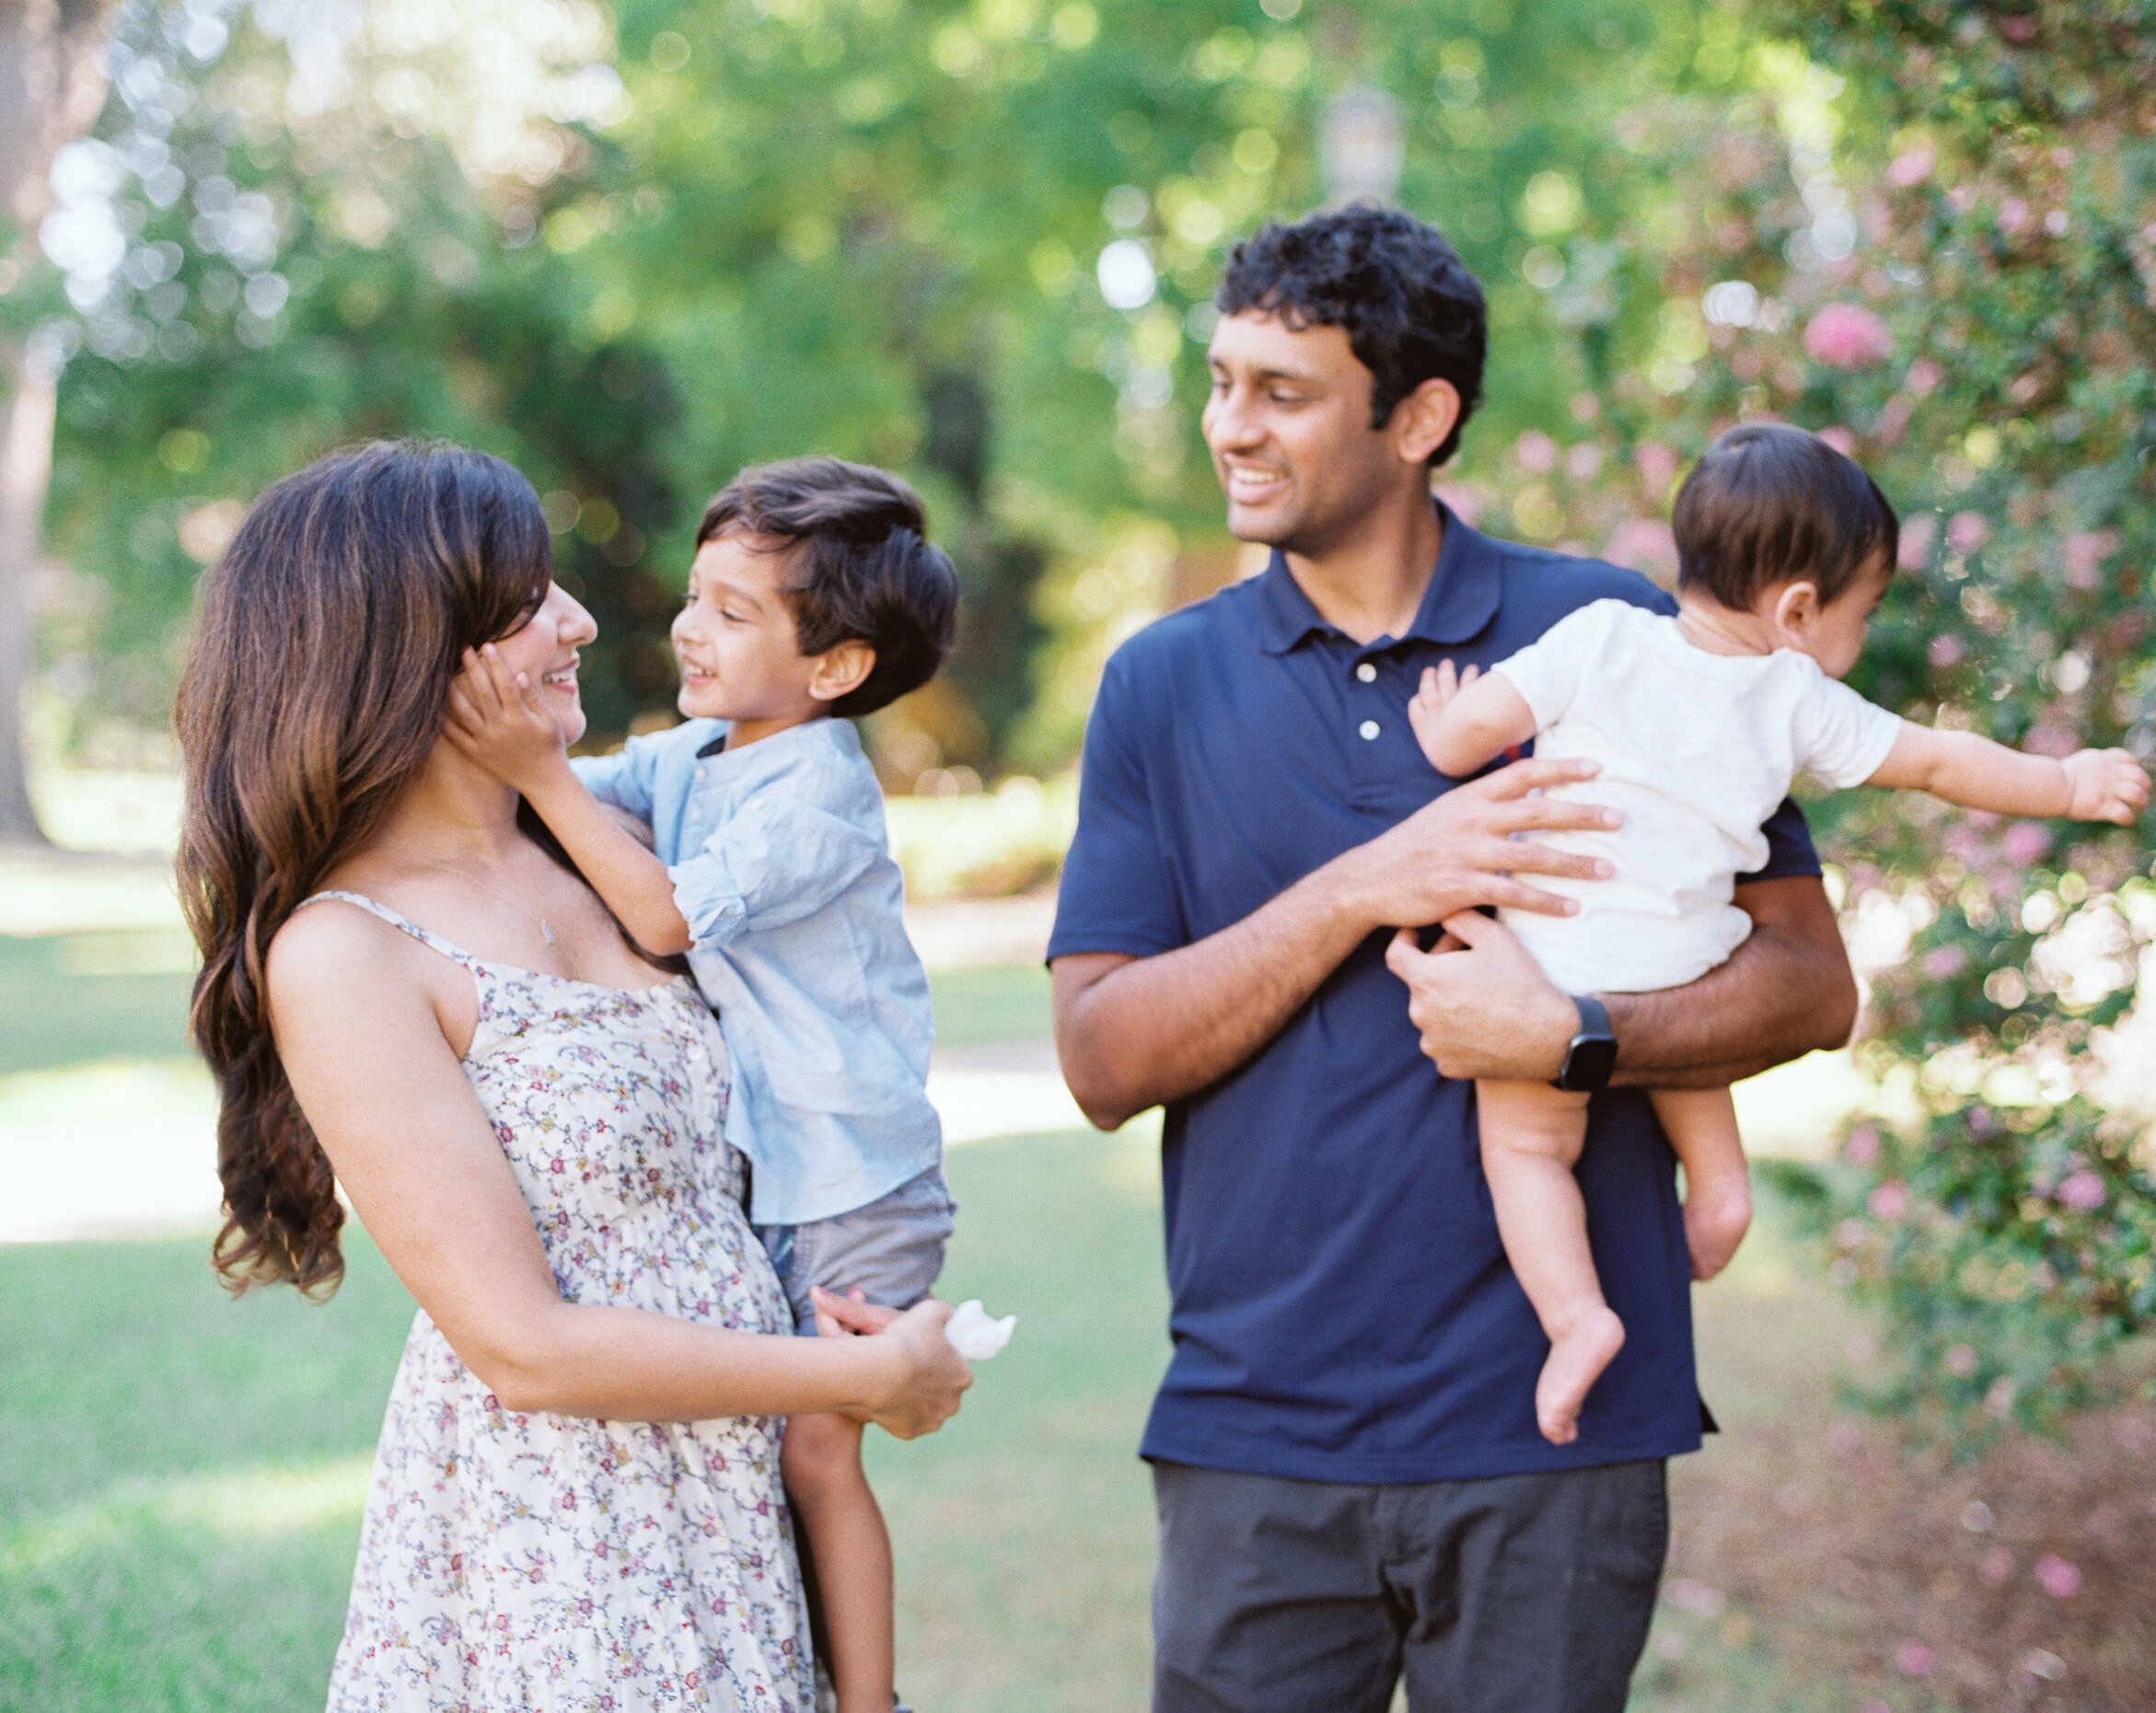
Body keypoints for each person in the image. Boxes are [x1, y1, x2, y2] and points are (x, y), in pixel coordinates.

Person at [1049, 204, 1859, 1713]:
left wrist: (1576, 1040)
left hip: (1551, 1444)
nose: (1230, 427)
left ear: (1419, 417)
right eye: (1221, 381)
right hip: (1253, 1446)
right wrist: (1361, 887)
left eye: (1280, 392)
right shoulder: (1159, 683)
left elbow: (1812, 983)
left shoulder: (1619, 632)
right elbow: (1100, 1060)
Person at [175, 441, 969, 1712]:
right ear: (416, 645)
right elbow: (524, 1348)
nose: (586, 618)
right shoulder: (349, 950)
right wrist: (860, 1381)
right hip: (562, 1543)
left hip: (730, 1509)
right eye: (533, 596)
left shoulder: (606, 844)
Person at [1408, 422, 2152, 1445]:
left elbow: (1458, 744)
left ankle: (1576, 1320)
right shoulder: (1796, 698)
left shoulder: (1597, 635)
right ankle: (1718, 1201)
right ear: (1798, 610)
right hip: (1681, 969)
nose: (1860, 630)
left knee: (1528, 1150)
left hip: (1553, 964)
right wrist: (2066, 782)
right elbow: (1938, 762)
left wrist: (1438, 719)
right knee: (1689, 1056)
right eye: (1868, 609)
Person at [443, 456, 959, 1713]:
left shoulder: (820, 788)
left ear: (834, 668)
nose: (688, 625)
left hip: (857, 1176)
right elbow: (561, 815)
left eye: (735, 612)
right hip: (774, 1171)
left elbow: (665, 913)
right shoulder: (699, 755)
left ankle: (869, 1700)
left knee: (818, 1445)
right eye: (694, 594)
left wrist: (538, 770)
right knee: (761, 1447)